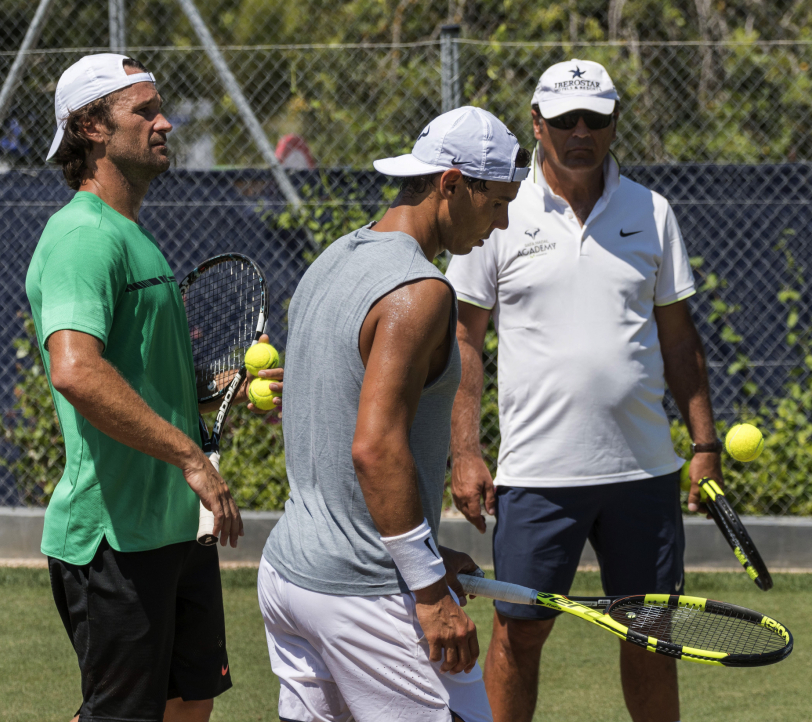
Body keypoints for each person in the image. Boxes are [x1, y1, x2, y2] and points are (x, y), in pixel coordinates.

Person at [446, 60, 723, 722]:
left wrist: (705, 442)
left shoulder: (652, 212)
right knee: (520, 630)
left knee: (651, 639)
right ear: (536, 125)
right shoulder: (498, 211)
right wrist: (464, 450)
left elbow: (681, 341)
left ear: (614, 123)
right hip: (536, 475)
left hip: (644, 472)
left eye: (595, 119)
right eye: (565, 120)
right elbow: (463, 341)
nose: (580, 132)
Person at [26, 54, 281, 722]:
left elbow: (145, 387)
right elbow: (76, 370)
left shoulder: (133, 237)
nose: (165, 122)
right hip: (113, 538)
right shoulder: (82, 236)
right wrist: (191, 456)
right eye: (144, 111)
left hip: (172, 530)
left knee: (190, 704)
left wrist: (218, 396)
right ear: (92, 127)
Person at [258, 107, 531, 722]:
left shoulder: (332, 259)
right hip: (363, 590)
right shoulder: (423, 291)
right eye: (497, 203)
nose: (504, 221)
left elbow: (323, 405)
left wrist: (430, 557)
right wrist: (430, 591)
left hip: (289, 578)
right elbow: (375, 448)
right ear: (452, 185)